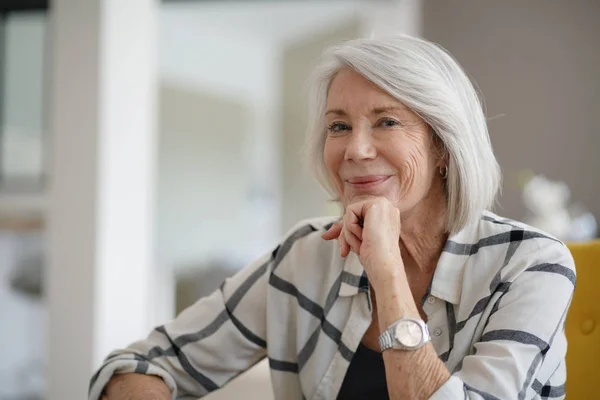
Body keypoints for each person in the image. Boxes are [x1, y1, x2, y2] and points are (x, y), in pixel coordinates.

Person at [90, 34, 576, 400]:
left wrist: (385, 269)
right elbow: (139, 363)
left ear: (443, 146)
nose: (355, 150)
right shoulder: (305, 255)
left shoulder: (533, 265)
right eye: (338, 126)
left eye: (386, 121)